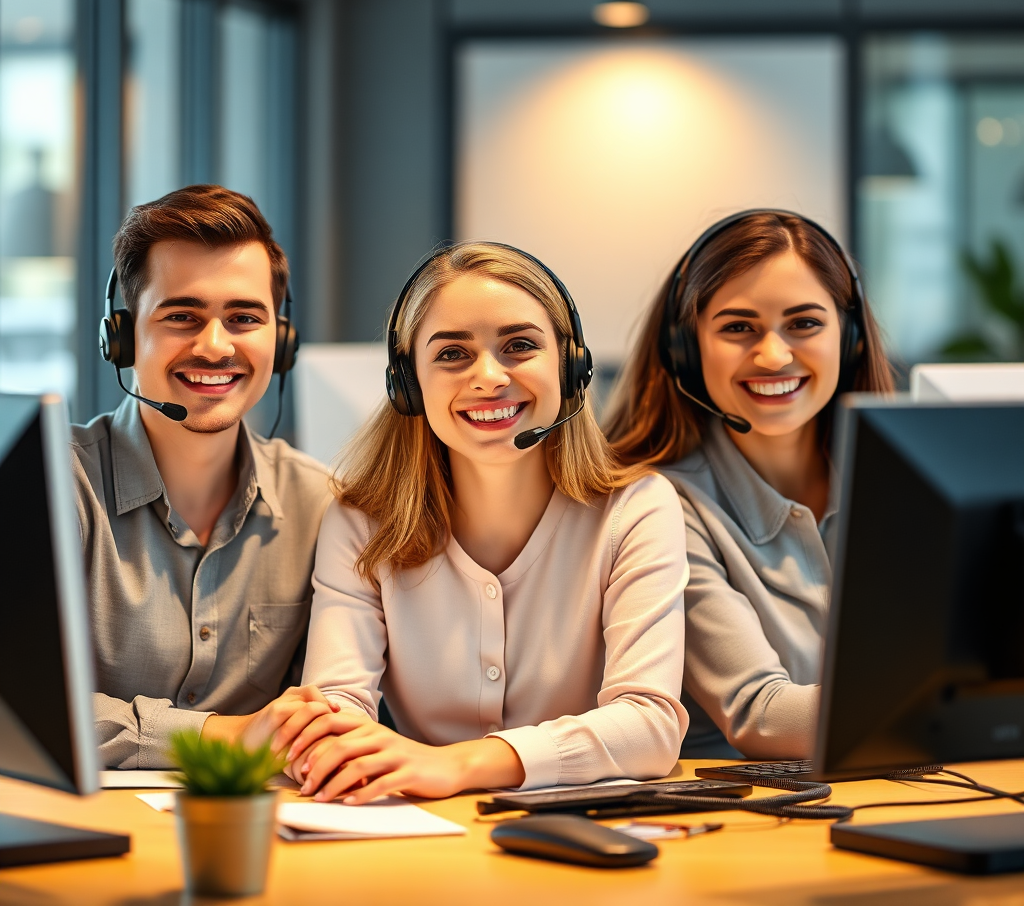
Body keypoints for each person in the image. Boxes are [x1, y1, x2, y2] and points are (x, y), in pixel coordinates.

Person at [287, 242, 688, 803]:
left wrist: (457, 765)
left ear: (570, 366)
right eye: (452, 354)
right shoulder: (361, 521)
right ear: (407, 384)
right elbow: (334, 707)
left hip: (579, 832)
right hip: (420, 835)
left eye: (520, 346)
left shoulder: (638, 508)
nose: (490, 377)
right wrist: (332, 742)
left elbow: (649, 725)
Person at [604, 210, 894, 761]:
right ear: (686, 351)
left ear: (850, 338)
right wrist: (953, 705)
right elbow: (760, 713)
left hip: (902, 789)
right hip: (747, 818)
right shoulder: (660, 504)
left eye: (804, 323)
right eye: (738, 327)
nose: (774, 355)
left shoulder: (902, 487)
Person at [74, 185, 335, 768]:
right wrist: (222, 734)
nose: (215, 346)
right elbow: (20, 701)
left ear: (281, 340)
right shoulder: (54, 486)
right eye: (182, 316)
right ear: (120, 338)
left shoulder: (319, 503)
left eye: (244, 317)